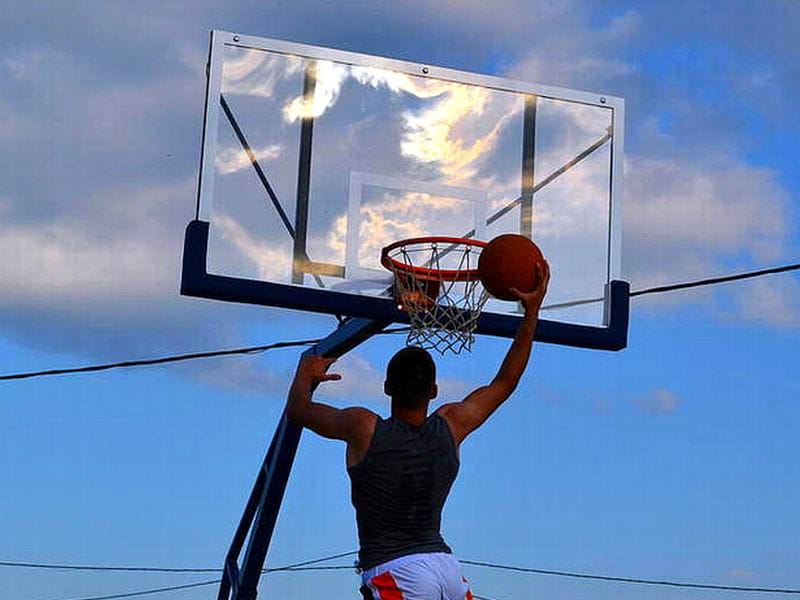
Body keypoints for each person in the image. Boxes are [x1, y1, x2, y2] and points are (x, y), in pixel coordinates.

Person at [286, 263, 549, 599]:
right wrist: (531, 312)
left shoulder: (363, 427)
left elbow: (298, 410)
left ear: (387, 387)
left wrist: (305, 371)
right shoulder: (452, 424)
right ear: (434, 391)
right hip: (446, 568)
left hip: (396, 569)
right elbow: (505, 382)